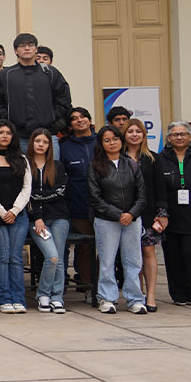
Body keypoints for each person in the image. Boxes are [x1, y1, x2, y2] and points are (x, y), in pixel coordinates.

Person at [88, 125, 148, 314]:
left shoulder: (131, 164)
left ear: (121, 141)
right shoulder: (95, 166)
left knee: (133, 261)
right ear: (101, 144)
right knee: (107, 261)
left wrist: (131, 214)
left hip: (132, 219)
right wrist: (117, 214)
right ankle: (106, 298)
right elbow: (94, 197)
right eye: (107, 140)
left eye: (115, 139)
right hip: (106, 220)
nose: (112, 143)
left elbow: (142, 195)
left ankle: (135, 300)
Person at [0, 33, 72, 154]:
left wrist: (51, 117)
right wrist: (10, 118)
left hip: (47, 135)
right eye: (22, 46)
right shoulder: (6, 75)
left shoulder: (51, 73)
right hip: (18, 137)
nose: (27, 48)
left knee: (51, 172)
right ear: (16, 51)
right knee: (20, 172)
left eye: (30, 45)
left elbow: (64, 100)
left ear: (36, 49)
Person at [0, 120, 32, 314]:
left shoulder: (22, 159)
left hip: (18, 215)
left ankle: (18, 299)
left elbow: (27, 188)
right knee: (2, 257)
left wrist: (14, 210)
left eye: (8, 133)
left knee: (15, 257)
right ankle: (4, 299)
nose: (5, 135)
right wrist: (2, 212)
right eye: (1, 132)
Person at [160, 121, 191, 306]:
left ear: (190, 136)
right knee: (172, 257)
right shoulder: (161, 158)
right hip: (169, 217)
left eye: (183, 134)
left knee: (189, 253)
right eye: (174, 134)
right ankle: (178, 295)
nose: (179, 137)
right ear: (168, 138)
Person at [124, 119, 169, 311]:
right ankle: (137, 294)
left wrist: (162, 213)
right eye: (130, 131)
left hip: (149, 214)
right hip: (125, 215)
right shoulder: (118, 157)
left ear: (144, 135)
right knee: (132, 257)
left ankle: (151, 295)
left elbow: (161, 188)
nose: (134, 134)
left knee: (148, 252)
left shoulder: (153, 159)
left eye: (138, 132)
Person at [28, 128, 70, 314]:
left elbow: (60, 191)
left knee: (59, 259)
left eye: (45, 142)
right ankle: (43, 293)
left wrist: (38, 196)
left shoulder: (58, 166)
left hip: (60, 217)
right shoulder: (25, 165)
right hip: (36, 221)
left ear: (49, 146)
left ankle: (57, 297)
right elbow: (26, 195)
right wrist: (37, 217)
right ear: (32, 143)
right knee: (51, 257)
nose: (41, 145)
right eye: (38, 141)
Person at [60, 107, 99, 301]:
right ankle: (88, 285)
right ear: (69, 125)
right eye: (74, 118)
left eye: (83, 116)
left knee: (106, 248)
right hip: (77, 204)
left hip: (105, 205)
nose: (79, 120)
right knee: (85, 247)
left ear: (90, 120)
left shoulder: (103, 141)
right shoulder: (64, 146)